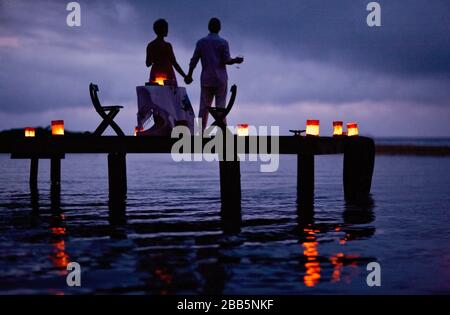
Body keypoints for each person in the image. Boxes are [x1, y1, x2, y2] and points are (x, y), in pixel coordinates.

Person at [185, 17, 243, 130]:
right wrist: (235, 60)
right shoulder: (223, 43)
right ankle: (222, 133)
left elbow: (194, 61)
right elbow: (227, 60)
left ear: (208, 27)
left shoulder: (201, 42)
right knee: (221, 107)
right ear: (219, 28)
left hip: (206, 79)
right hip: (220, 79)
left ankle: (200, 133)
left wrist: (189, 75)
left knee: (204, 108)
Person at [146, 19, 188, 86]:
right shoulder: (167, 46)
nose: (167, 31)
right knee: (169, 94)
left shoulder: (150, 45)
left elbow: (148, 64)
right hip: (168, 74)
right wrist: (185, 76)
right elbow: (174, 63)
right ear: (162, 30)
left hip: (155, 73)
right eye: (166, 28)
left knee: (156, 94)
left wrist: (155, 58)